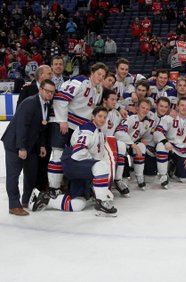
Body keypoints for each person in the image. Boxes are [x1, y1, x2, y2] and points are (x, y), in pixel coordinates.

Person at [29, 107, 118, 216]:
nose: (102, 119)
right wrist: (92, 169)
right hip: (73, 161)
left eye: (105, 117)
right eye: (100, 116)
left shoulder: (99, 131)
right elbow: (79, 152)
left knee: (77, 205)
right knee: (101, 166)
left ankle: (44, 199)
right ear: (93, 116)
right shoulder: (88, 129)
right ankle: (102, 202)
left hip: (80, 167)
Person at [48, 62, 108, 197]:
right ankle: (53, 188)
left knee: (74, 157)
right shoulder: (80, 81)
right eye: (99, 74)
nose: (100, 77)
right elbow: (61, 98)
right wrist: (62, 120)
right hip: (63, 123)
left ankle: (68, 187)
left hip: (77, 128)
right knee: (58, 155)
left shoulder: (98, 89)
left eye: (103, 76)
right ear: (92, 73)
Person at [1, 79, 55, 216]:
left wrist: (42, 145)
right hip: (15, 143)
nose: (50, 94)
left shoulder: (46, 105)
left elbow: (42, 127)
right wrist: (21, 148)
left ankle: (26, 200)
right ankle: (14, 205)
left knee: (31, 172)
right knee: (14, 174)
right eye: (47, 91)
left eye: (52, 92)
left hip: (31, 144)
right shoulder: (30, 103)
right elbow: (21, 126)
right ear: (40, 90)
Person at [154, 97, 186, 187]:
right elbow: (157, 133)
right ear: (177, 106)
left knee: (185, 180)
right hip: (170, 148)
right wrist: (165, 142)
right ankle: (163, 175)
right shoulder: (168, 118)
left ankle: (173, 167)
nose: (184, 108)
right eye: (182, 105)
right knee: (161, 145)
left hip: (183, 152)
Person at [114, 99, 152, 189]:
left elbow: (145, 136)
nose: (145, 110)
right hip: (119, 145)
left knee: (142, 146)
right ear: (137, 108)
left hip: (129, 146)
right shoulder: (130, 117)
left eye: (147, 109)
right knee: (123, 146)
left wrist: (142, 139)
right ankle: (118, 179)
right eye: (143, 107)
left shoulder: (146, 122)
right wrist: (133, 145)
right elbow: (118, 133)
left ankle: (139, 176)